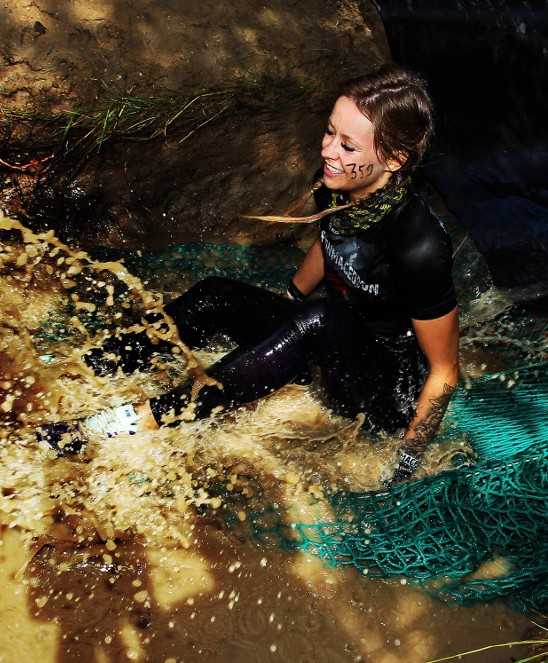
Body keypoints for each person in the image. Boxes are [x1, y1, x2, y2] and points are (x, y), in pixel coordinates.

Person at [39, 64, 460, 486]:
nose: (329, 150)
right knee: (216, 294)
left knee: (318, 319)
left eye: (348, 146)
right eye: (330, 132)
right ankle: (82, 370)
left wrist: (405, 465)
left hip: (383, 392)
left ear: (393, 159)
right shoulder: (336, 182)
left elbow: (444, 372)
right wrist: (287, 303)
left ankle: (119, 424)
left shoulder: (418, 247)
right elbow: (331, 239)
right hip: (325, 340)